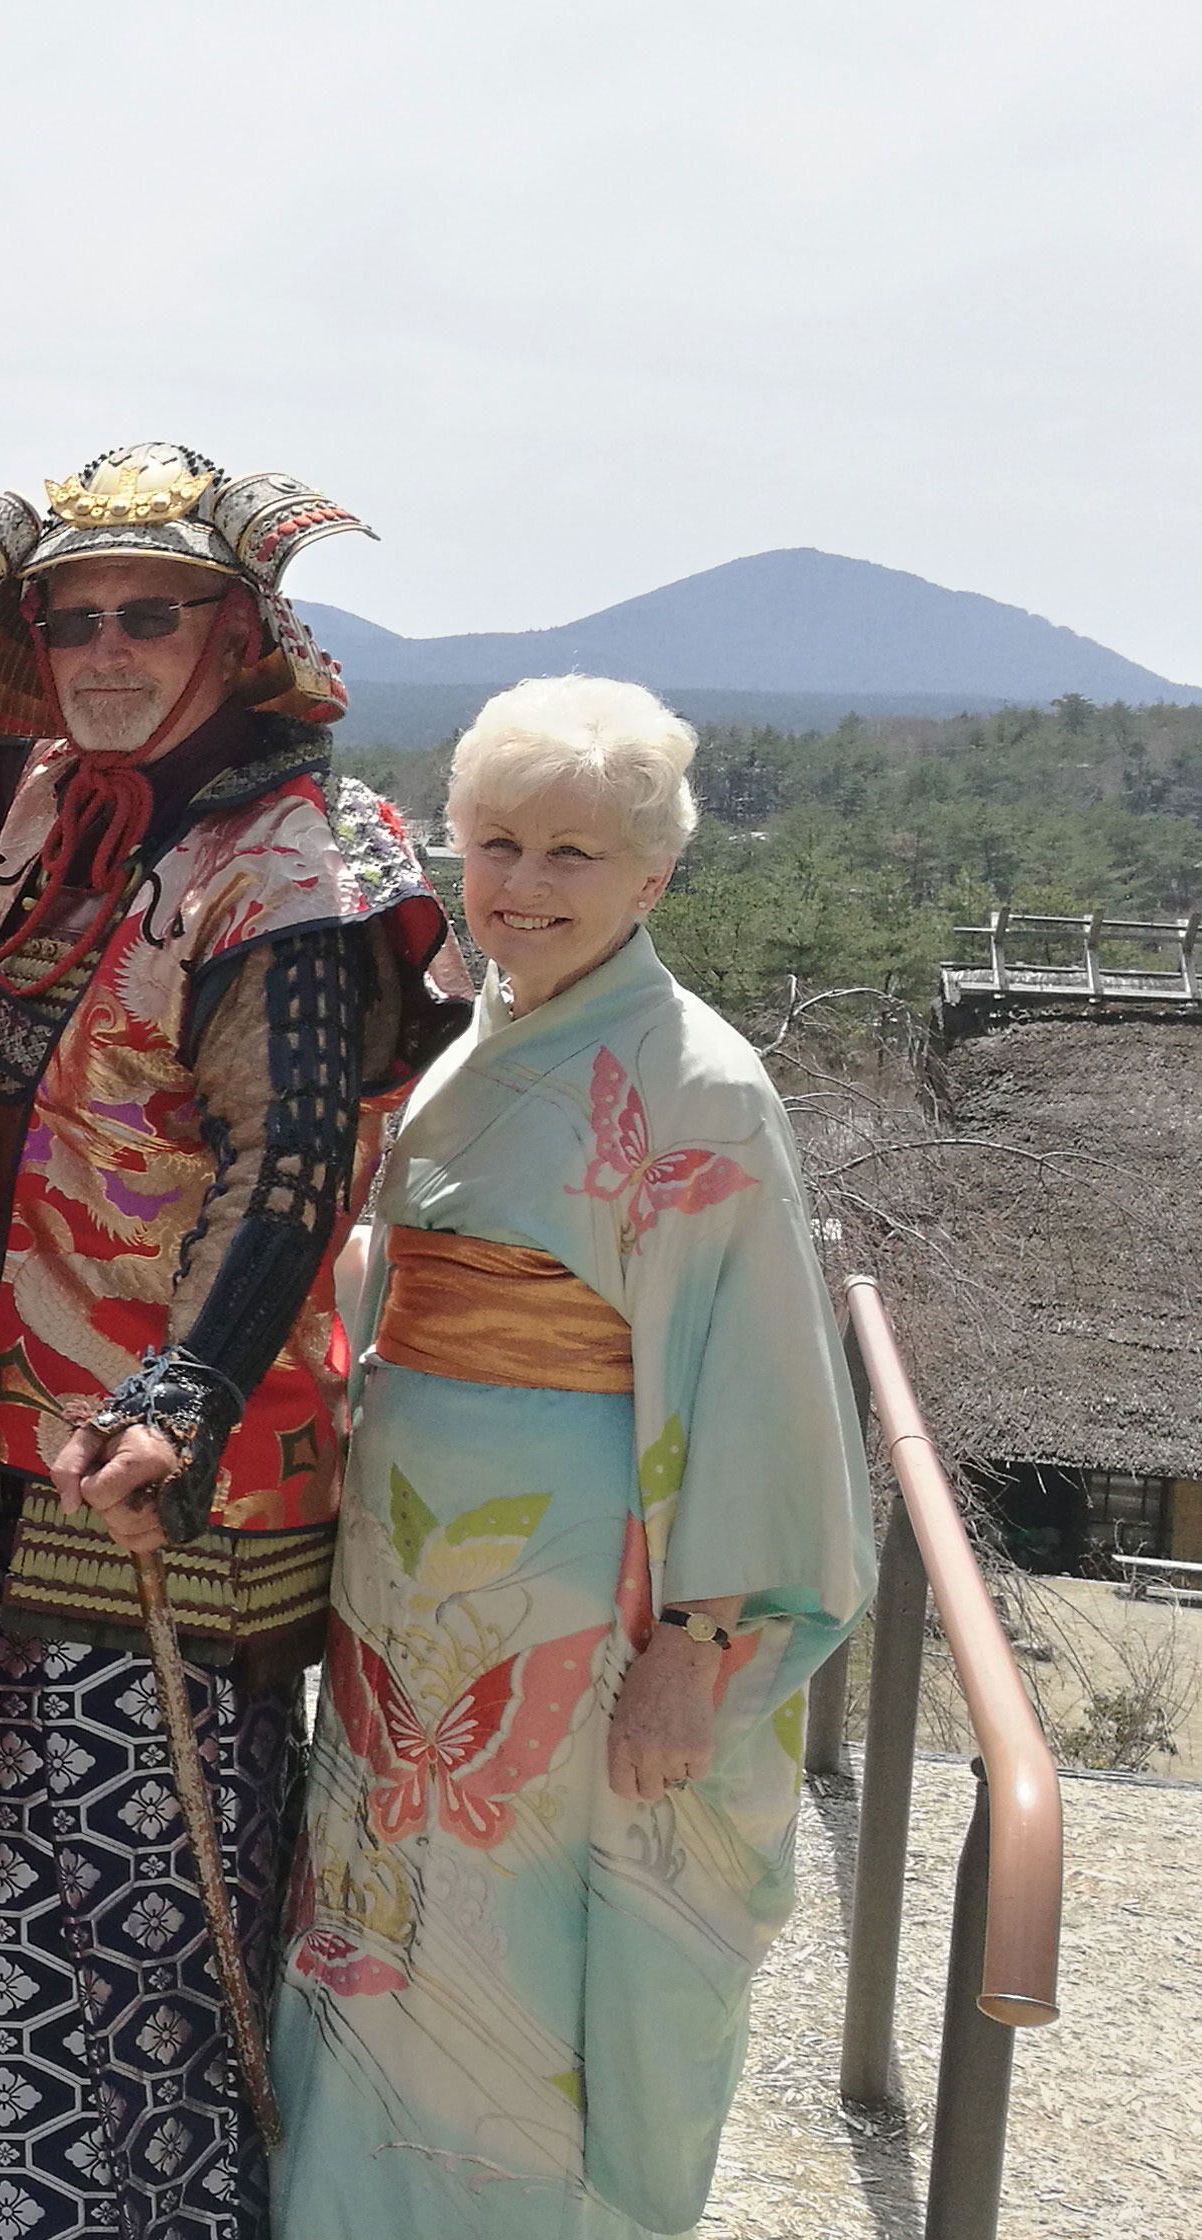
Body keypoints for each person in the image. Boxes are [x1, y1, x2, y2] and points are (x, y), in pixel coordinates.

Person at [0, 442, 463, 2240]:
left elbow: (289, 1166)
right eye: (73, 615)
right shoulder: (81, 802)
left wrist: (180, 1389)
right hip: (14, 1421)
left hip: (160, 1455)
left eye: (150, 612)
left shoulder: (299, 862)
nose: (107, 646)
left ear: (239, 627)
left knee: (128, 1873)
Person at [271, 676, 869, 2239]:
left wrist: (703, 1637)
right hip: (403, 1561)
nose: (524, 887)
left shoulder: (702, 1087)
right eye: (497, 845)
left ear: (654, 878)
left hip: (578, 1588)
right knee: (386, 1913)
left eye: (574, 856)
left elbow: (756, 1380)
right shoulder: (476, 1043)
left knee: (531, 1941)